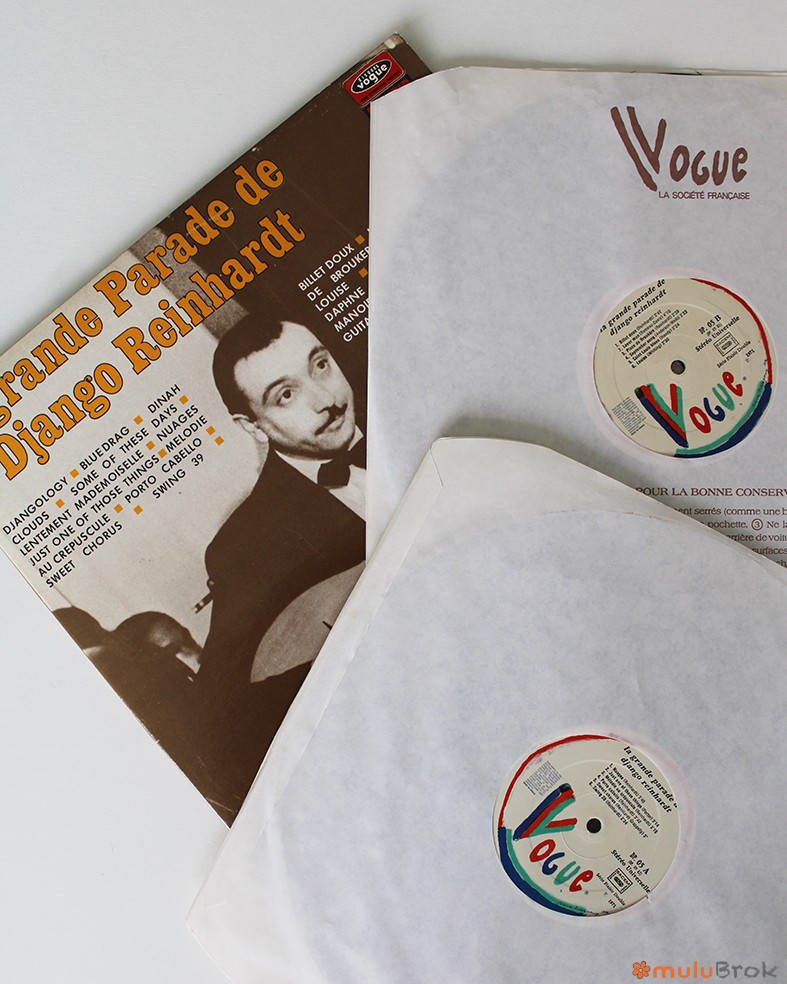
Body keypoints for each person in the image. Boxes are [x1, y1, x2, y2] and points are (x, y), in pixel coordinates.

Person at [195, 315, 366, 821]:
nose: (325, 399)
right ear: (252, 425)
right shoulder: (245, 547)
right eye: (286, 395)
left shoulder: (413, 407)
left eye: (320, 366)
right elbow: (221, 727)